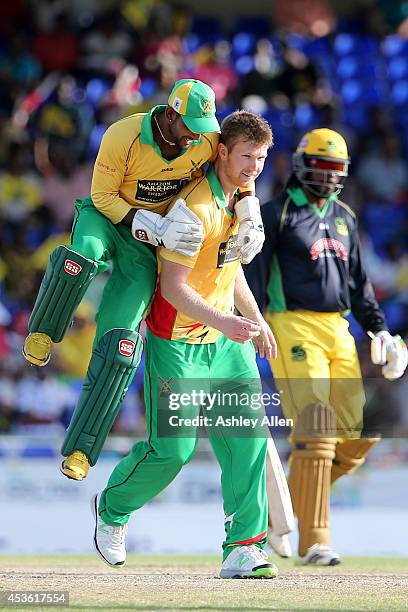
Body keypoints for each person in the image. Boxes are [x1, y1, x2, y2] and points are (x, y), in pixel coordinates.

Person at [22, 79, 266, 482]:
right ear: (170, 115)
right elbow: (102, 198)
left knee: (121, 346)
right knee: (79, 260)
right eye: (188, 125)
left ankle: (82, 448)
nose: (196, 137)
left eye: (203, 127)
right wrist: (150, 225)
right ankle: (44, 332)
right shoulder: (123, 135)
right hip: (109, 219)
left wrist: (249, 213)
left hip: (146, 248)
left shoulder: (206, 136)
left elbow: (241, 170)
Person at [91, 110, 280, 579]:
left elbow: (228, 268)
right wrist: (227, 321)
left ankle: (244, 547)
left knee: (247, 441)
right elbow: (174, 287)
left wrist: (256, 320)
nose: (253, 167)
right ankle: (112, 509)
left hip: (226, 340)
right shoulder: (194, 208)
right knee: (171, 452)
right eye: (246, 157)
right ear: (221, 152)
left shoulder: (240, 198)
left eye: (260, 158)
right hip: (177, 341)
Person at [245, 128, 408, 565]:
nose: (330, 176)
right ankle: (314, 540)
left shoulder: (346, 219)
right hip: (291, 324)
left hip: (340, 329)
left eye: (337, 168)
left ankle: (283, 497)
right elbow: (254, 280)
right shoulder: (275, 214)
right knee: (315, 426)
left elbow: (359, 284)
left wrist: (379, 330)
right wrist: (253, 326)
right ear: (302, 165)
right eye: (322, 166)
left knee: (354, 433)